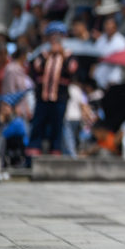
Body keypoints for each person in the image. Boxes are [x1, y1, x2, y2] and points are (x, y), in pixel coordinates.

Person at [27, 22, 78, 158]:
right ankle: (34, 148)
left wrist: (62, 54)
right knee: (38, 122)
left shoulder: (68, 55)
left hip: (59, 97)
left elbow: (72, 70)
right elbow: (36, 68)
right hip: (43, 96)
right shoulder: (43, 53)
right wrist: (48, 54)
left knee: (57, 125)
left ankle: (56, 150)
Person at [93, 16, 125, 89]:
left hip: (114, 78)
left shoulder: (121, 42)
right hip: (100, 76)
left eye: (110, 27)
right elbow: (96, 55)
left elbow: (121, 63)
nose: (108, 29)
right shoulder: (101, 39)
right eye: (106, 26)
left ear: (115, 27)